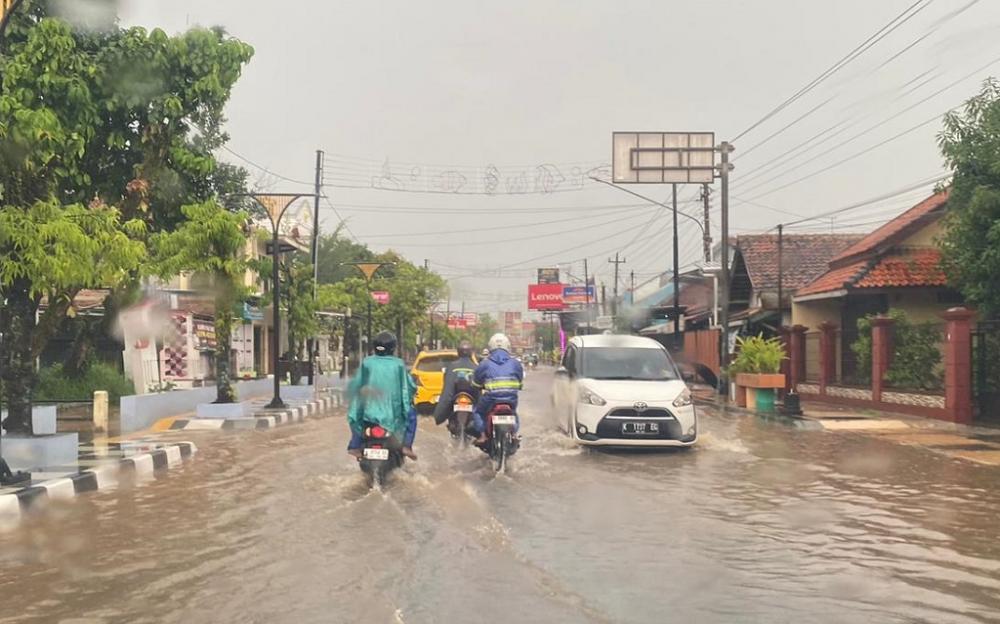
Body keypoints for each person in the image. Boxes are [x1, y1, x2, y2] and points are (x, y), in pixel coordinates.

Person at [346, 331, 418, 460]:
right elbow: (409, 386)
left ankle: (355, 446)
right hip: (392, 413)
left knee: (356, 414)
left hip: (369, 412)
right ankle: (406, 446)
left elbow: (356, 385)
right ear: (393, 347)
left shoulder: (367, 362)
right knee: (411, 416)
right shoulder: (398, 364)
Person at [471, 333, 524, 445]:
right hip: (510, 398)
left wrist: (478, 386)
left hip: (491, 399)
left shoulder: (484, 364)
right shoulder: (515, 363)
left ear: (490, 347)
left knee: (478, 412)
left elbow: (476, 383)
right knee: (513, 413)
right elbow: (520, 381)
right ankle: (514, 434)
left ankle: (483, 436)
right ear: (507, 346)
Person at [432, 340, 478, 433]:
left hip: (458, 400)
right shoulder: (476, 367)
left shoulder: (452, 366)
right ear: (471, 352)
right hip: (467, 400)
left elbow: (447, 392)